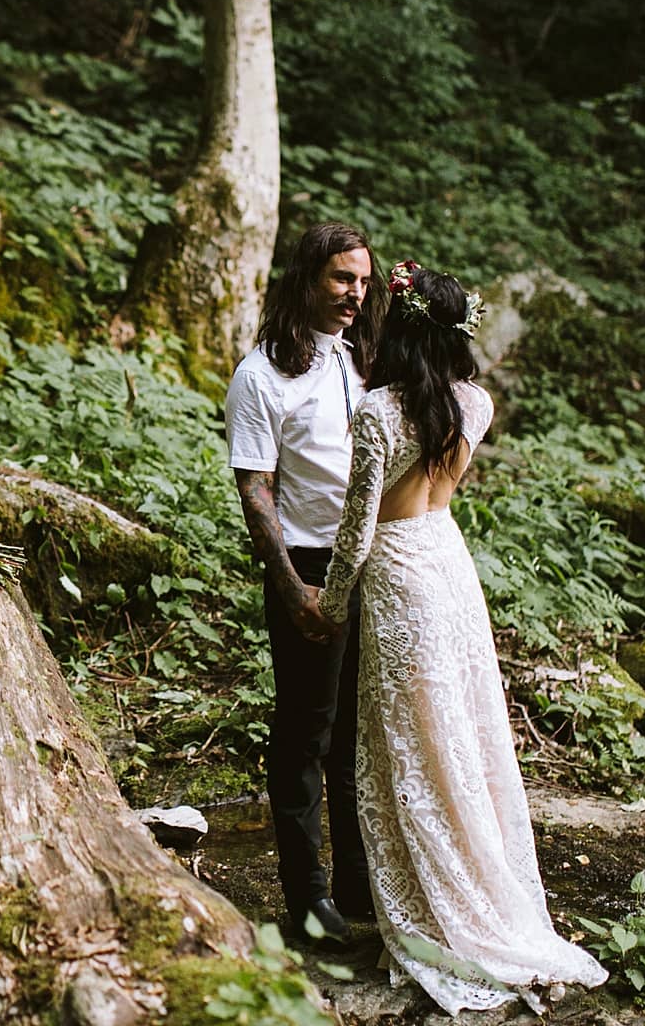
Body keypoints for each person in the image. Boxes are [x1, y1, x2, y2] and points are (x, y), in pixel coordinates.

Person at [316, 261, 609, 1014]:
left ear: (400, 330)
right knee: (460, 735)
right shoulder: (474, 404)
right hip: (449, 563)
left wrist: (329, 604)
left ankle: (434, 908)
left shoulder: (379, 412)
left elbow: (355, 533)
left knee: (411, 740)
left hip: (398, 574)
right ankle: (482, 886)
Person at [225, 222, 386, 944]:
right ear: (307, 278)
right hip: (311, 566)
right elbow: (254, 490)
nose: (355, 292)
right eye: (341, 278)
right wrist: (293, 592)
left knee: (356, 734)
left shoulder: (364, 359)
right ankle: (309, 898)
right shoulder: (261, 374)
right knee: (304, 735)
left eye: (362, 279)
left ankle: (357, 881)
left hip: (373, 566)